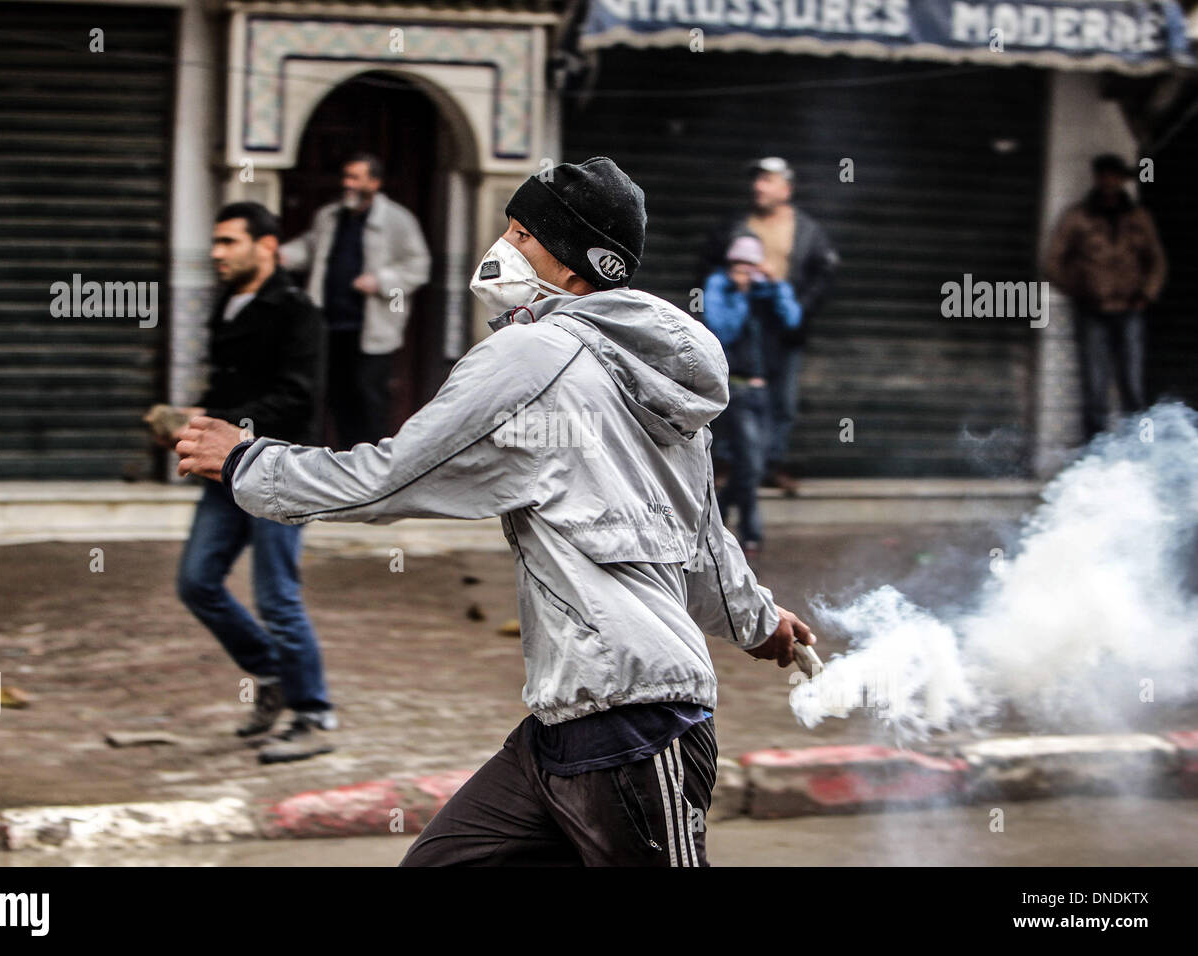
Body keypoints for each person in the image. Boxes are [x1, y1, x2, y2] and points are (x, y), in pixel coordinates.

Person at [176, 158, 815, 867]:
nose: (501, 248)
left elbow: (390, 477)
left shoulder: (532, 355)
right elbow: (704, 537)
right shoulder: (643, 374)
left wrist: (246, 460)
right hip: (565, 719)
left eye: (522, 234)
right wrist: (760, 622)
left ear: (576, 266)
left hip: (639, 721)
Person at [175, 201, 336, 765]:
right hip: (223, 470)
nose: (216, 253)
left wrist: (218, 421)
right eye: (214, 243)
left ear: (266, 246)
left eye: (228, 242)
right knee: (197, 581)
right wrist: (198, 420)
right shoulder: (228, 303)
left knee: (277, 597)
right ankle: (271, 671)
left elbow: (298, 398)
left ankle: (312, 714)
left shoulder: (298, 313)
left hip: (280, 471)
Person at [702, 156, 838, 495]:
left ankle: (771, 464)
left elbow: (824, 274)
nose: (758, 187)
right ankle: (728, 464)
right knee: (734, 392)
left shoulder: (807, 230)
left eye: (767, 180)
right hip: (742, 326)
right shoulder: (737, 224)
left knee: (782, 400)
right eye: (756, 180)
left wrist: (801, 312)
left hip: (783, 327)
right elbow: (711, 267)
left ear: (786, 188)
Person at [280, 153, 431, 449]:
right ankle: (340, 462)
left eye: (355, 178)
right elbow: (310, 248)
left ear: (374, 182)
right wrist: (279, 255)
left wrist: (382, 281)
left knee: (368, 399)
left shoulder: (398, 220)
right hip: (328, 327)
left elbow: (418, 266)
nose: (347, 184)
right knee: (332, 397)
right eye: (346, 177)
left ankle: (372, 466)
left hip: (371, 331)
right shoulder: (329, 216)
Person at [1043, 153, 1167, 443]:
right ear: (1097, 178)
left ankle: (1136, 455)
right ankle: (1095, 458)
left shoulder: (1139, 217)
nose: (1110, 181)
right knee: (1095, 389)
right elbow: (1051, 261)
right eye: (1104, 175)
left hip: (1130, 310)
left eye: (1115, 175)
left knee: (1133, 387)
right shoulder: (1077, 216)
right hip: (1091, 311)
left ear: (1123, 179)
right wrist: (1077, 290)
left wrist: (1146, 295)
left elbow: (1157, 261)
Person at [702, 235, 802, 557]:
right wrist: (740, 295)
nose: (745, 272)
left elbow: (792, 320)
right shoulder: (720, 287)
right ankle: (751, 534)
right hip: (737, 387)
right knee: (750, 461)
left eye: (751, 266)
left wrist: (777, 286)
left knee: (753, 464)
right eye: (739, 266)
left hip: (766, 389)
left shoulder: (767, 290)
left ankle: (722, 511)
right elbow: (721, 329)